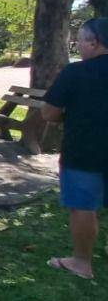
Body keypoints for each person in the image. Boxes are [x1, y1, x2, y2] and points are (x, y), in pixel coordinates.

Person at [43, 17, 108, 279]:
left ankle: (81, 262)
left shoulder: (76, 72)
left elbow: (49, 112)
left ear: (94, 43)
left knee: (83, 205)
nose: (77, 45)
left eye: (79, 40)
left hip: (85, 151)